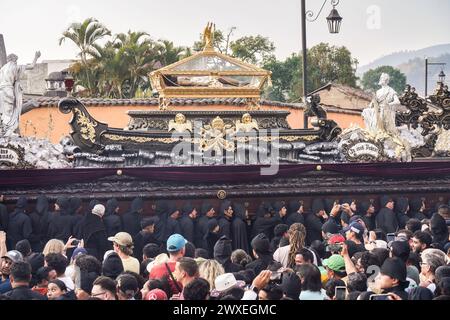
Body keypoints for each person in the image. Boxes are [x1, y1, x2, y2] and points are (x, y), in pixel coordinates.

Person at [0, 51, 40, 136]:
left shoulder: (2, 68)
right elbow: (31, 66)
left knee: (4, 111)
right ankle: (7, 132)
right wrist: (36, 57)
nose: (16, 61)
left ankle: (4, 130)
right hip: (8, 90)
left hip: (1, 91)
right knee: (10, 112)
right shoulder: (15, 66)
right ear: (14, 59)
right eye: (16, 60)